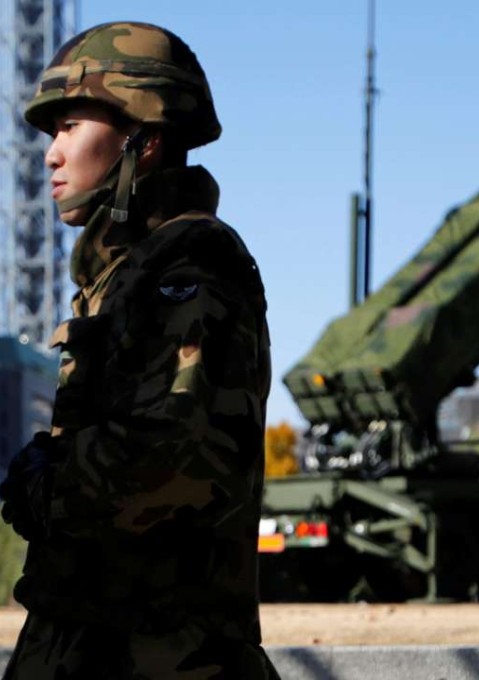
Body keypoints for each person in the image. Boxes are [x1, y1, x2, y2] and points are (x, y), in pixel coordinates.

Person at [0, 21, 280, 679]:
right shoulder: (124, 275)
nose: (51, 154)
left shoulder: (192, 267)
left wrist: (45, 486)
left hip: (160, 655)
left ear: (144, 141)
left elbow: (174, 458)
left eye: (71, 126)